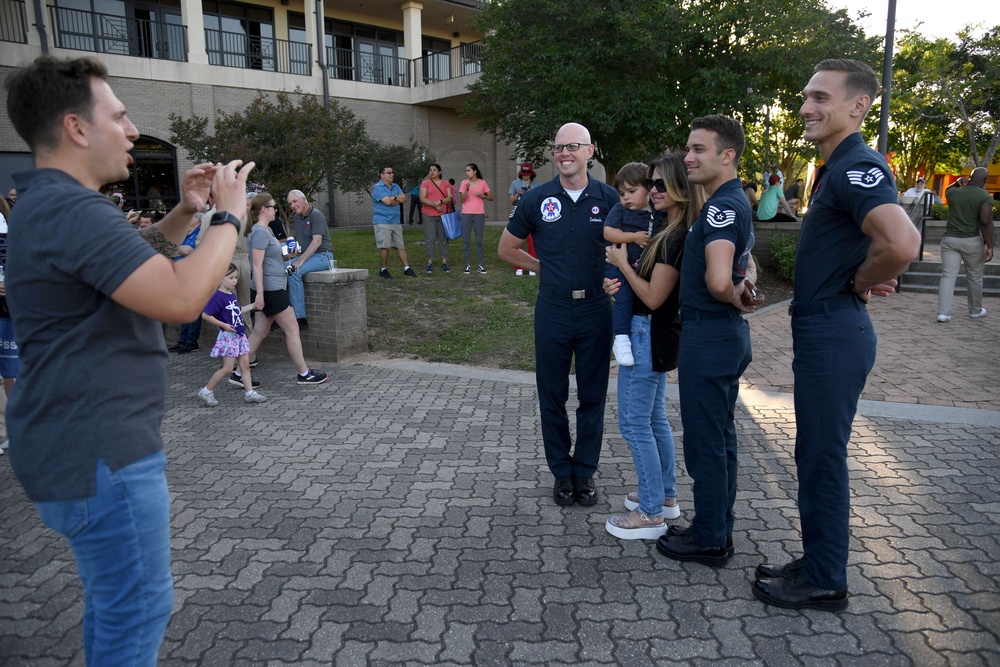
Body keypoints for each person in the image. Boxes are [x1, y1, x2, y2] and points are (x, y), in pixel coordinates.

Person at [4, 54, 253, 665]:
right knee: (138, 607)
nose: (134, 129)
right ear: (77, 129)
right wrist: (229, 214)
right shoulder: (74, 209)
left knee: (115, 602)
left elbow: (126, 261)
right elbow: (179, 297)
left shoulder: (47, 203)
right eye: (119, 115)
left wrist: (185, 213)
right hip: (100, 451)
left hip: (71, 441)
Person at [751, 59, 921, 612]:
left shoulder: (855, 166)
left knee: (821, 456)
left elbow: (902, 244)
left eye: (821, 97)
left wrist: (856, 281)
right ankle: (819, 559)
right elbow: (874, 245)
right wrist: (862, 274)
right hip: (828, 325)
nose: (806, 106)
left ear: (858, 106)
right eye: (806, 95)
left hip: (833, 327)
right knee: (814, 452)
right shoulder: (840, 165)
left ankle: (826, 579)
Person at [498, 122, 619, 506]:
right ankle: (560, 473)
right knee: (551, 393)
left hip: (595, 310)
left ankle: (583, 472)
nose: (564, 154)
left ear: (590, 151)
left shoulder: (609, 198)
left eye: (572, 146)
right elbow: (507, 248)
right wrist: (542, 269)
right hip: (552, 307)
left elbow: (631, 247)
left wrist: (617, 275)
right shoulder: (537, 198)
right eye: (558, 148)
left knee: (592, 395)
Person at [656, 115, 757, 568]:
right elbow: (743, 266)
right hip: (722, 335)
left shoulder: (719, 207)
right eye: (688, 148)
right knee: (721, 437)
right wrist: (742, 288)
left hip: (710, 332)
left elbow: (719, 281)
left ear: (727, 155)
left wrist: (734, 294)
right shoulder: (733, 201)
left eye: (698, 149)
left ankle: (710, 539)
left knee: (705, 443)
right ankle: (716, 528)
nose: (688, 157)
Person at [603, 153, 704, 540]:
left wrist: (622, 264)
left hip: (648, 331)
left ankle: (649, 515)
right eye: (653, 183)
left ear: (681, 187)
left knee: (634, 422)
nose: (655, 190)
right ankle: (663, 498)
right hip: (655, 332)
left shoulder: (674, 235)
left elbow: (653, 297)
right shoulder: (663, 225)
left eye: (662, 184)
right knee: (654, 418)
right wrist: (615, 282)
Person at [241, 192, 328, 385]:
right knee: (292, 328)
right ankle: (304, 373)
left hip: (271, 288)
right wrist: (261, 295)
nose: (276, 210)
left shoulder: (265, 230)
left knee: (259, 332)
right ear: (264, 210)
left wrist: (288, 253)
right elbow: (257, 265)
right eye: (273, 207)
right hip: (271, 290)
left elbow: (271, 258)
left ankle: (239, 372)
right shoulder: (260, 232)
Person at [602, 162, 662, 366]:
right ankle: (621, 339)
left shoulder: (657, 211)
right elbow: (608, 232)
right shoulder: (620, 210)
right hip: (618, 265)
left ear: (648, 188)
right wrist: (633, 237)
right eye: (622, 193)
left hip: (642, 269)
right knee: (623, 297)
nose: (626, 197)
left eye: (631, 191)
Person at [197, 263, 265, 405]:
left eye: (235, 277)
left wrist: (252, 306)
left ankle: (249, 392)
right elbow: (206, 315)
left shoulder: (231, 295)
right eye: (230, 277)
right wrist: (223, 325)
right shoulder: (217, 296)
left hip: (239, 335)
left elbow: (236, 310)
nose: (234, 280)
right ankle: (206, 391)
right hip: (229, 337)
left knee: (245, 365)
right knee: (227, 368)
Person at [936, 167, 994, 322]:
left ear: (970, 177)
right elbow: (985, 221)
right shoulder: (985, 196)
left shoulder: (954, 193)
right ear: (984, 180)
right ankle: (975, 310)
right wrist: (990, 246)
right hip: (972, 240)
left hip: (950, 240)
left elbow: (949, 188)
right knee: (974, 276)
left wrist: (957, 181)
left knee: (948, 275)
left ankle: (943, 313)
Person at [285, 189, 334, 330]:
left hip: (323, 256)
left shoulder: (316, 215)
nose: (293, 206)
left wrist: (300, 261)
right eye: (290, 203)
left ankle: (300, 318)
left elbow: (317, 241)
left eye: (295, 201)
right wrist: (293, 254)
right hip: (308, 255)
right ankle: (281, 312)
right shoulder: (296, 218)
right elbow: (301, 244)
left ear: (304, 199)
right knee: (280, 268)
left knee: (294, 272)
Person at [371, 166, 417, 279]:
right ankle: (383, 270)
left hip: (395, 221)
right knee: (385, 246)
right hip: (383, 221)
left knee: (400, 245)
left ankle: (407, 268)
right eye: (388, 173)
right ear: (382, 175)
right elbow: (387, 201)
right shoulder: (378, 188)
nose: (391, 175)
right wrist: (395, 199)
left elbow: (404, 199)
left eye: (392, 173)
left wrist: (393, 198)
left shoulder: (395, 186)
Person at [168, 216, 205, 353]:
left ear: (198, 219)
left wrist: (181, 250)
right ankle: (182, 339)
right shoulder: (183, 233)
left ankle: (191, 341)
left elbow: (189, 251)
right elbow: (170, 250)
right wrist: (181, 250)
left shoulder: (200, 232)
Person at [419, 163, 454, 273]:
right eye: (430, 170)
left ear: (440, 172)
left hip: (443, 216)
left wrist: (440, 201)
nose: (432, 172)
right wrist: (435, 205)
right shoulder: (425, 183)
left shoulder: (446, 183)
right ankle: (429, 262)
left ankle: (444, 262)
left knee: (443, 239)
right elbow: (422, 198)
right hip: (428, 215)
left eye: (434, 170)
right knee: (430, 239)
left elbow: (450, 198)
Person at [459, 163, 494, 274]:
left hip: (479, 214)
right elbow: (462, 200)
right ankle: (467, 264)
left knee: (479, 240)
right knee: (466, 240)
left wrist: (482, 196)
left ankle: (480, 264)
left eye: (468, 170)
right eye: (466, 171)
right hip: (466, 214)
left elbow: (491, 197)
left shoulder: (482, 183)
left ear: (475, 171)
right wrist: (467, 190)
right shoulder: (464, 183)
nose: (467, 173)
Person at [508, 162, 538, 276]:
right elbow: (511, 201)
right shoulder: (515, 184)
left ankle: (532, 266)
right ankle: (519, 266)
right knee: (518, 242)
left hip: (532, 215)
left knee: (532, 242)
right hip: (519, 215)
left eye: (528, 173)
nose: (526, 176)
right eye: (524, 174)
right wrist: (518, 194)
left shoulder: (538, 185)